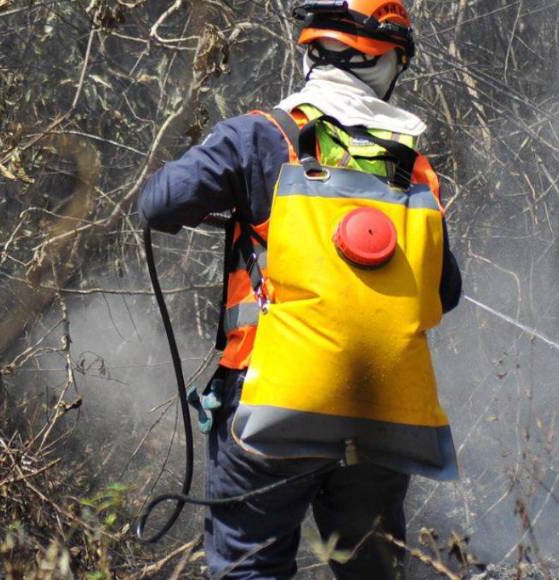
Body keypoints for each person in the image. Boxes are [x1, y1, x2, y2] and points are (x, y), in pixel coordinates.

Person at [138, 1, 462, 577]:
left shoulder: (262, 138)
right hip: (381, 416)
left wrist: (240, 204)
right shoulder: (412, 168)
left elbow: (160, 204)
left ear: (313, 49)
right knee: (373, 570)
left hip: (273, 406)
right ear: (388, 61)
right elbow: (448, 291)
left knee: (250, 570)